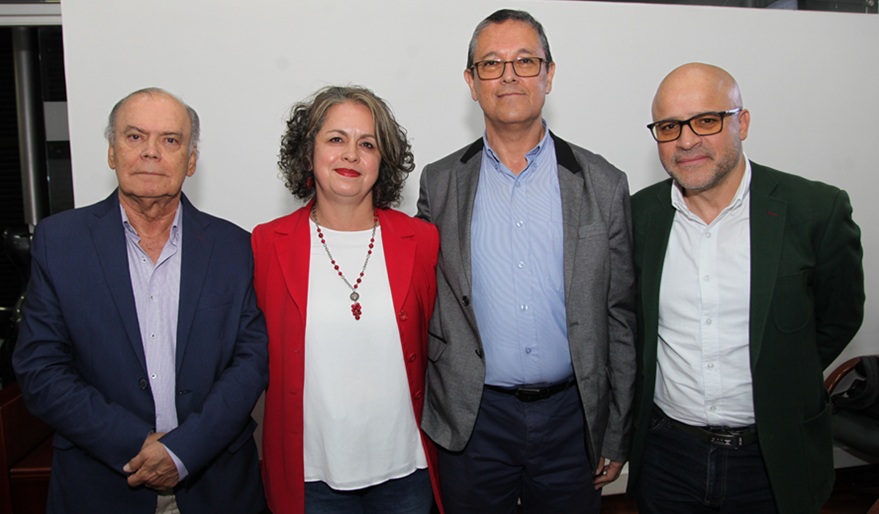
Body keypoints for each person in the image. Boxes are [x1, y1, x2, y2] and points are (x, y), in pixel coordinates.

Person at [416, 9, 636, 513]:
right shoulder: (440, 183)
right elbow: (424, 301)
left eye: (525, 61)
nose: (509, 75)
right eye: (491, 64)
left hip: (572, 418)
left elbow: (620, 316)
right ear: (472, 83)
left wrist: (616, 430)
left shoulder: (603, 184)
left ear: (549, 75)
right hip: (474, 420)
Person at [12, 88, 269, 513]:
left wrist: (183, 450)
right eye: (134, 137)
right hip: (101, 484)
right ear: (112, 152)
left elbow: (251, 359)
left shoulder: (234, 246)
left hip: (216, 486)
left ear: (190, 160)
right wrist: (134, 444)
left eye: (170, 140)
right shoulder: (60, 243)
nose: (152, 152)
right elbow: (40, 369)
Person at [627, 63, 865, 514]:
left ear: (743, 122)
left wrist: (783, 372)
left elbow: (838, 318)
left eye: (707, 120)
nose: (687, 139)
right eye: (668, 126)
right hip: (667, 455)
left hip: (774, 456)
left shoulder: (816, 210)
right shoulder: (639, 217)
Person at [252, 85, 442, 514]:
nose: (351, 155)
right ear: (309, 152)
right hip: (312, 477)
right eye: (336, 139)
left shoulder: (422, 240)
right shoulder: (267, 244)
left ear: (383, 160)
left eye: (367, 143)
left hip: (406, 474)